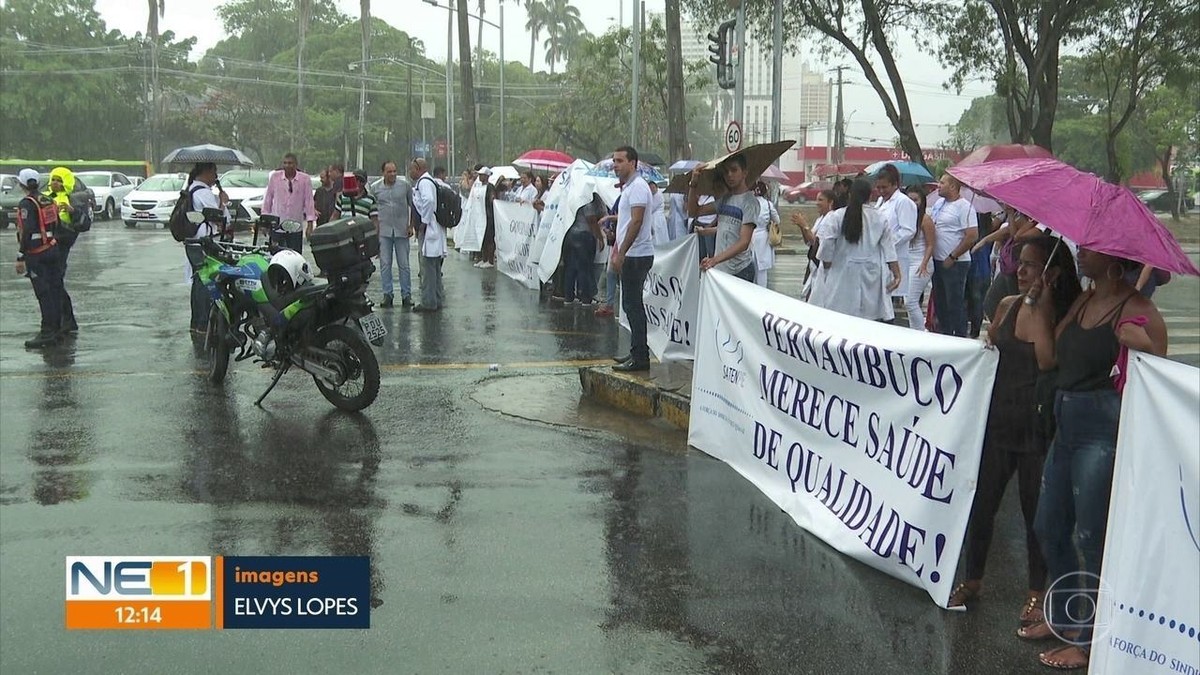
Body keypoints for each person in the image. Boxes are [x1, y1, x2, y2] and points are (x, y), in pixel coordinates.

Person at [1030, 249, 1167, 671]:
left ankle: (1090, 641)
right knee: (1048, 526)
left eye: (1089, 252)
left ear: (1113, 260)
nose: (1080, 255)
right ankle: (1068, 619)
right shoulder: (1084, 300)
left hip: (1100, 428)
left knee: (1092, 537)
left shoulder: (1139, 307)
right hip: (1065, 421)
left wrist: (1143, 345)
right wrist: (1041, 305)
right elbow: (1049, 358)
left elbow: (1162, 373)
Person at [950, 236, 1082, 633]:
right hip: (998, 422)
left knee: (1034, 516)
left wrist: (1039, 304)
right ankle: (972, 579)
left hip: (1036, 430)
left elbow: (1046, 359)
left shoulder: (1062, 312)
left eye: (1031, 265)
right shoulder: (1007, 304)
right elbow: (991, 344)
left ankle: (1036, 594)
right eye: (1019, 264)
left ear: (1053, 273)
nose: (1020, 271)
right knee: (982, 505)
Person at [812, 178, 901, 321]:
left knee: (840, 318)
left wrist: (827, 266)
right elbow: (889, 249)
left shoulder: (836, 217)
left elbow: (826, 247)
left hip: (841, 274)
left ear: (849, 195)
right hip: (871, 274)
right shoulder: (880, 217)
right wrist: (897, 274)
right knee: (869, 319)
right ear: (870, 196)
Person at [610, 146, 654, 372]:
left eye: (619, 160)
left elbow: (636, 222)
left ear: (633, 163)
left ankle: (640, 357)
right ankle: (636, 351)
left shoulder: (638, 187)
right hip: (631, 253)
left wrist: (623, 252)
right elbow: (626, 222)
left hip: (637, 255)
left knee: (633, 306)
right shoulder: (629, 188)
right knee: (629, 305)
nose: (615, 165)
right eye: (614, 161)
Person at [13, 168, 67, 348]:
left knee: (43, 294)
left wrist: (21, 255)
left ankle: (47, 333)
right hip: (52, 249)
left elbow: (27, 230)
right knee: (55, 290)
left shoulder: (27, 203)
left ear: (22, 184)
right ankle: (57, 330)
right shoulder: (47, 199)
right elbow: (57, 223)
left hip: (37, 254)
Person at [687, 153, 758, 283]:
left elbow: (744, 242)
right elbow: (693, 212)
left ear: (744, 173)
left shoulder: (750, 202)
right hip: (722, 269)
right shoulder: (724, 199)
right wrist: (694, 184)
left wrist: (714, 259)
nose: (729, 175)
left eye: (734, 170)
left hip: (740, 271)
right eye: (726, 172)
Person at [929, 173, 978, 337]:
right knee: (941, 303)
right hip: (937, 260)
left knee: (954, 303)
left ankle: (960, 336)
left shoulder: (964, 207)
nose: (938, 185)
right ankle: (945, 333)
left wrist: (953, 256)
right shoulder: (939, 204)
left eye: (942, 183)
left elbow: (971, 235)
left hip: (955, 263)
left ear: (953, 186)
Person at [186, 162, 230, 335]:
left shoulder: (192, 188)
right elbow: (218, 217)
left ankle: (196, 322)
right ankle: (203, 322)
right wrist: (223, 202)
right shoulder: (202, 192)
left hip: (195, 241)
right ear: (207, 172)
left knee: (199, 280)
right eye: (215, 172)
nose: (216, 177)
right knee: (206, 282)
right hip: (205, 242)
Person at [874, 165, 919, 316]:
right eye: (878, 187)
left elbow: (908, 230)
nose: (881, 191)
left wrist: (887, 243)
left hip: (896, 256)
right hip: (879, 256)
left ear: (895, 185)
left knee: (890, 299)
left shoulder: (903, 202)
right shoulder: (881, 201)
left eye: (884, 187)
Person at [43, 167, 82, 334]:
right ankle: (60, 319)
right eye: (53, 180)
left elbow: (83, 223)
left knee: (56, 282)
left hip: (62, 243)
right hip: (46, 244)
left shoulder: (72, 199)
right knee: (51, 283)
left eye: (59, 180)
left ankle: (66, 320)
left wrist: (72, 211)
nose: (55, 183)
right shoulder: (44, 198)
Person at [374, 160, 414, 308]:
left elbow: (413, 206)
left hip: (401, 230)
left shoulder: (405, 186)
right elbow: (372, 210)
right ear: (383, 173)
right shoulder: (376, 188)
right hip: (384, 231)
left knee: (404, 265)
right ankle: (387, 294)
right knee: (385, 264)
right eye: (389, 172)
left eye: (394, 171)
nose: (392, 174)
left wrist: (411, 225)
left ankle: (406, 295)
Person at [409, 158, 446, 313]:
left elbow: (429, 201)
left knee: (428, 267)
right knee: (434, 266)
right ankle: (436, 298)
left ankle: (429, 302)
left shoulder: (424, 182)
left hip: (430, 229)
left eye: (412, 169)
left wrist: (424, 221)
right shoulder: (428, 181)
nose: (410, 172)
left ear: (418, 168)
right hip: (434, 229)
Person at [261, 152, 316, 251]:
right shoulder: (275, 177)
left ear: (296, 164)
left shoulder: (305, 179)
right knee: (276, 255)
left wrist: (310, 224)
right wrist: (265, 222)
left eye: (290, 163)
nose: (287, 165)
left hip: (295, 226)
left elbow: (309, 202)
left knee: (294, 256)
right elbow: (268, 199)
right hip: (277, 225)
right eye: (285, 163)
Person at [791, 188, 837, 301]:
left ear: (830, 202)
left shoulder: (831, 219)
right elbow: (808, 242)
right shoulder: (820, 218)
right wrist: (802, 227)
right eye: (817, 200)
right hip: (814, 267)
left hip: (822, 267)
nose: (817, 203)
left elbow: (816, 243)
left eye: (821, 200)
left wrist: (805, 225)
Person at [903, 185, 938, 330]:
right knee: (909, 301)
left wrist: (924, 263)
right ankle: (914, 331)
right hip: (907, 262)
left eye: (915, 200)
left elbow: (931, 244)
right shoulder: (905, 218)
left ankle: (919, 332)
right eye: (909, 200)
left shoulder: (925, 219)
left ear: (922, 201)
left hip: (921, 262)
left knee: (910, 302)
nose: (912, 204)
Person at [564, 193, 606, 305]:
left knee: (570, 268)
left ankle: (569, 296)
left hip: (570, 233)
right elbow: (591, 220)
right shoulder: (587, 200)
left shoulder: (574, 196)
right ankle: (585, 297)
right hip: (584, 235)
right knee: (585, 268)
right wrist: (600, 238)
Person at [750, 180, 778, 287]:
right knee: (762, 270)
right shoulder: (768, 204)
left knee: (751, 266)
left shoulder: (748, 203)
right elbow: (777, 220)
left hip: (749, 236)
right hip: (763, 237)